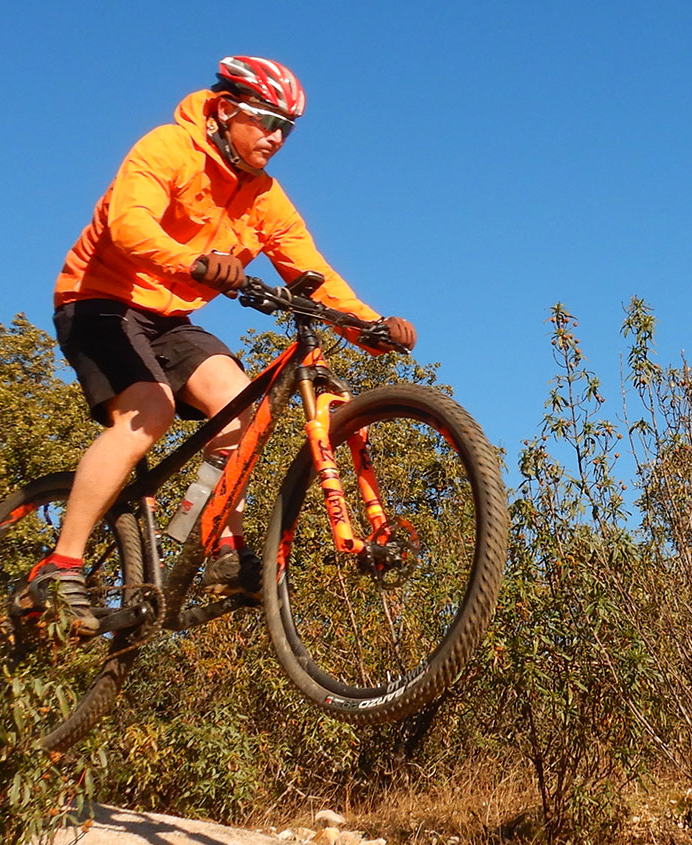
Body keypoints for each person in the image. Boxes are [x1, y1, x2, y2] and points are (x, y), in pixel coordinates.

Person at [29, 56, 416, 620]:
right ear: (229, 110)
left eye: (287, 127)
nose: (277, 137)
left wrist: (370, 326)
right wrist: (193, 262)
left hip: (168, 317)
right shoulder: (168, 147)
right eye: (266, 121)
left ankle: (221, 551)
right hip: (99, 298)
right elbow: (128, 223)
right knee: (149, 411)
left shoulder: (265, 196)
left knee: (239, 414)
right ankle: (59, 566)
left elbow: (316, 275)